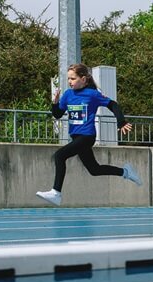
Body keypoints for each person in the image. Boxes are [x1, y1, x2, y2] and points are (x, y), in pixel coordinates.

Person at [36, 63, 142, 206]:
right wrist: (54, 103)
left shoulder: (92, 94)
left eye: (73, 79)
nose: (70, 82)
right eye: (68, 79)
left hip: (87, 136)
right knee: (94, 169)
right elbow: (58, 114)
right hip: (76, 137)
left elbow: (113, 105)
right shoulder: (68, 94)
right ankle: (126, 172)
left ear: (83, 79)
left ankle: (56, 193)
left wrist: (121, 122)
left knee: (59, 156)